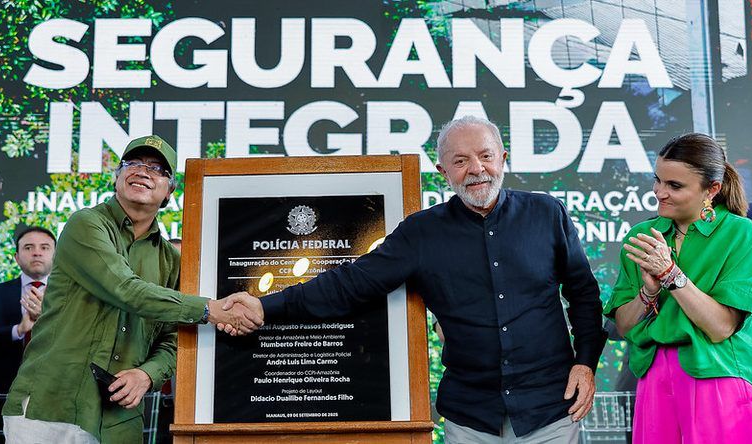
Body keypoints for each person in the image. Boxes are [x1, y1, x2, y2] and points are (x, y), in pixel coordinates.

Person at [224, 116, 607, 442]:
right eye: (460, 161)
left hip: (551, 410)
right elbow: (350, 283)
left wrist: (586, 363)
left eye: (486, 156)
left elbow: (584, 295)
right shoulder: (420, 233)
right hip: (470, 418)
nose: (476, 169)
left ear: (502, 158)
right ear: (443, 172)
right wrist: (265, 304)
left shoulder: (547, 213)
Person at [2, 135, 262, 443]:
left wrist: (147, 375)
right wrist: (210, 309)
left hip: (119, 421)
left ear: (169, 192)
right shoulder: (86, 223)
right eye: (133, 163)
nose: (142, 171)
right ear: (117, 177)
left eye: (156, 169)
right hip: (50, 407)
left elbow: (174, 338)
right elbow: (124, 288)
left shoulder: (172, 261)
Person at [604, 133, 752, 443]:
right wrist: (647, 293)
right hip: (652, 377)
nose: (660, 193)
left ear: (711, 189)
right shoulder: (642, 235)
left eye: (675, 186)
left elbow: (720, 327)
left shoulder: (742, 234)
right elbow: (624, 325)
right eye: (658, 180)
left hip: (716, 372)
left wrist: (671, 274)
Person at [0, 226, 55, 394]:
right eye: (28, 247)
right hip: (2, 389)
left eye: (44, 247)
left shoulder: (72, 296)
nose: (37, 253)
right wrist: (18, 330)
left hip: (55, 390)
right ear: (16, 258)